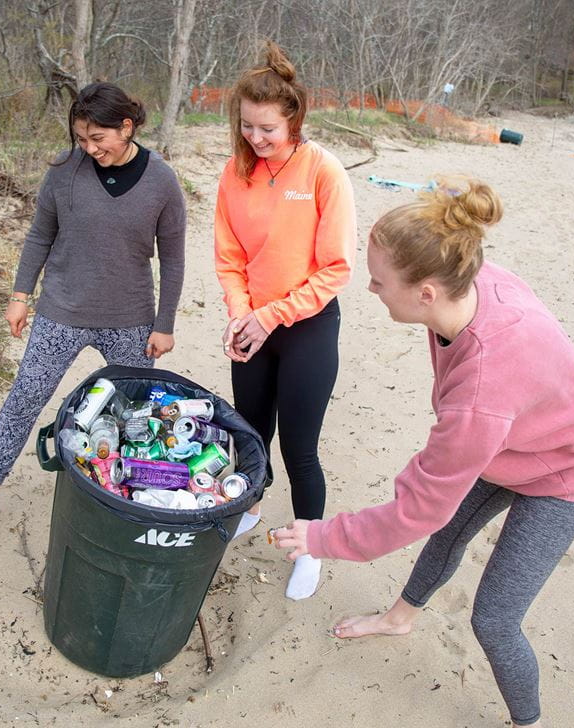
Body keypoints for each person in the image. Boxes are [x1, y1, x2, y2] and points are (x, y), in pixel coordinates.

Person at [272, 180, 574, 726]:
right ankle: (398, 619)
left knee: (495, 619)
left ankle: (527, 721)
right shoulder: (470, 284)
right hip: (513, 436)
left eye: (380, 282)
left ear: (426, 293)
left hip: (569, 466)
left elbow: (417, 507)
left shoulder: (481, 393)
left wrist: (322, 538)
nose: (371, 289)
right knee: (448, 535)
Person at [0, 82, 186, 547]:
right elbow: (40, 234)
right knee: (24, 400)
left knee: (132, 415)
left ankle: (125, 499)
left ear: (126, 126)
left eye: (97, 138)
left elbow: (174, 258)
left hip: (130, 318)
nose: (88, 148)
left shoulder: (162, 181)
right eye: (81, 139)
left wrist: (164, 324)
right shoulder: (63, 171)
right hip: (62, 309)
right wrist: (20, 295)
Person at [214, 42, 357, 600]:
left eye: (268, 129)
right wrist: (240, 313)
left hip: (306, 326)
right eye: (247, 126)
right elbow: (229, 257)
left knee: (300, 446)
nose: (256, 138)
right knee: (248, 431)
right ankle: (249, 502)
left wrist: (273, 314)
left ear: (294, 119)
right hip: (254, 322)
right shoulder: (235, 171)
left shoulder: (323, 171)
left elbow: (336, 269)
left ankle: (310, 545)